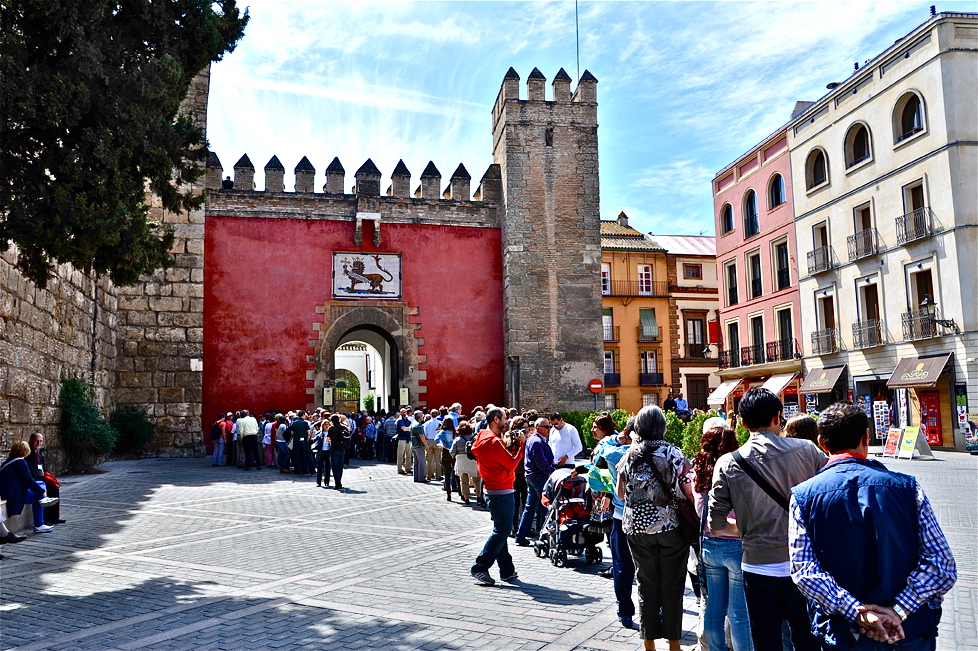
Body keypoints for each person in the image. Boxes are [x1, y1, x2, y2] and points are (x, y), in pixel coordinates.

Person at [789, 402, 956, 650]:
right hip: (908, 633)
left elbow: (804, 571)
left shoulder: (803, 497)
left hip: (845, 634)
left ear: (822, 442)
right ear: (866, 437)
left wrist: (857, 612)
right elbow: (942, 565)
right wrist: (898, 610)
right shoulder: (908, 489)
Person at [708, 388, 827, 651]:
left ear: (742, 422)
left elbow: (715, 525)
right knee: (808, 639)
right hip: (804, 564)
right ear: (778, 417)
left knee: (766, 642)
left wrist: (748, 530)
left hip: (759, 567)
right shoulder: (808, 450)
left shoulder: (729, 463)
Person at [615, 406, 694, 651]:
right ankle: (674, 644)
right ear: (662, 427)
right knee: (672, 585)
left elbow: (619, 493)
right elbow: (687, 490)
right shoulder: (673, 453)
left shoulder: (627, 455)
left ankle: (649, 643)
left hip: (636, 528)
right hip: (669, 526)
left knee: (645, 583)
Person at [693, 419, 753, 651]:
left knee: (714, 609)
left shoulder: (699, 474)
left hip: (709, 546)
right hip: (735, 545)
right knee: (738, 612)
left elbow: (701, 512)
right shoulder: (736, 470)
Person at [470, 407, 526, 586]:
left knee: (501, 529)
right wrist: (522, 445)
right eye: (504, 418)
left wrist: (512, 445)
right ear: (495, 419)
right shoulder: (492, 441)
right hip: (501, 490)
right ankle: (480, 567)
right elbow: (511, 464)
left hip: (494, 488)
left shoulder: (484, 436)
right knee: (502, 530)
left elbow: (502, 458)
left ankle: (507, 570)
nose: (506, 422)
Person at [594, 415, 635, 628]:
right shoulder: (659, 454)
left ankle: (625, 611)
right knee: (652, 569)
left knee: (622, 567)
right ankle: (659, 612)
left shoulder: (615, 452)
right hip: (653, 521)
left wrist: (617, 439)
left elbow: (599, 452)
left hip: (621, 517)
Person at [0, 441, 60, 534]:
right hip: (12, 493)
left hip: (9, 490)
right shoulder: (20, 462)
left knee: (41, 483)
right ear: (26, 451)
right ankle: (39, 524)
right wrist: (41, 491)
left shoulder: (10, 461)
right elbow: (29, 481)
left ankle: (44, 499)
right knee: (38, 496)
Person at [515, 416, 555, 546]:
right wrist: (550, 471)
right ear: (538, 428)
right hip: (539, 477)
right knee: (544, 507)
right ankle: (543, 537)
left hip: (532, 477)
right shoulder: (536, 441)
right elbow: (541, 463)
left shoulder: (534, 439)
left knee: (530, 507)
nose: (549, 429)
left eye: (549, 427)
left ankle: (521, 535)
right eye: (546, 427)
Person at [28, 433, 65, 525]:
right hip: (34, 480)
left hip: (41, 478)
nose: (38, 443)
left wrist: (50, 478)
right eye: (36, 441)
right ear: (31, 441)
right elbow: (30, 470)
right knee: (44, 491)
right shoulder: (28, 454)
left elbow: (44, 468)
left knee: (54, 488)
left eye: (40, 441)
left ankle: (54, 517)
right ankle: (46, 519)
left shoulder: (40, 454)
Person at [451, 421, 482, 507]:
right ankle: (479, 497)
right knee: (477, 479)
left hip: (461, 460)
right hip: (473, 459)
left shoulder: (457, 439)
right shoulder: (475, 438)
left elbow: (452, 451)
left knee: (464, 480)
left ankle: (467, 499)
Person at [326, 414, 351, 490]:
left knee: (335, 466)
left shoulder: (332, 428)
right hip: (343, 448)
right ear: (339, 420)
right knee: (340, 466)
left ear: (332, 421)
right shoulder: (344, 427)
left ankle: (337, 483)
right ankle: (339, 481)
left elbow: (327, 440)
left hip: (334, 449)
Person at [434, 417, 457, 500]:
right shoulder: (454, 432)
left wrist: (441, 445)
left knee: (447, 474)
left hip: (445, 452)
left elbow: (436, 439)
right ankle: (460, 492)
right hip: (454, 453)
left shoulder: (443, 432)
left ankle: (448, 494)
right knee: (456, 473)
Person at [287, 411, 314, 476]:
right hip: (304, 440)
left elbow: (292, 433)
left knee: (297, 456)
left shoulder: (294, 423)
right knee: (308, 455)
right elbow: (308, 432)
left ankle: (299, 471)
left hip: (296, 440)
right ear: (303, 415)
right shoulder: (305, 423)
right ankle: (312, 470)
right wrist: (307, 440)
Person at [423, 409, 442, 481]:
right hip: (437, 441)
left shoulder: (427, 423)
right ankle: (438, 475)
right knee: (437, 460)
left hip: (429, 440)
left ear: (430, 414)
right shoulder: (440, 423)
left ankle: (429, 475)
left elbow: (425, 433)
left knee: (429, 459)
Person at [410, 410, 428, 483]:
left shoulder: (412, 424)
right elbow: (421, 435)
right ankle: (421, 478)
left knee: (416, 462)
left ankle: (416, 477)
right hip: (418, 445)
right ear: (420, 417)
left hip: (413, 444)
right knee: (422, 462)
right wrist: (426, 445)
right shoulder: (418, 425)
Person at [395, 408, 413, 474]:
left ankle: (408, 468)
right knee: (400, 454)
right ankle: (399, 469)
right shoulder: (400, 420)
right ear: (400, 413)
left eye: (405, 412)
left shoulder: (408, 420)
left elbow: (408, 428)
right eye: (403, 412)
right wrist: (409, 428)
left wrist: (408, 429)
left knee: (409, 455)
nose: (404, 413)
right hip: (402, 439)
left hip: (408, 438)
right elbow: (404, 429)